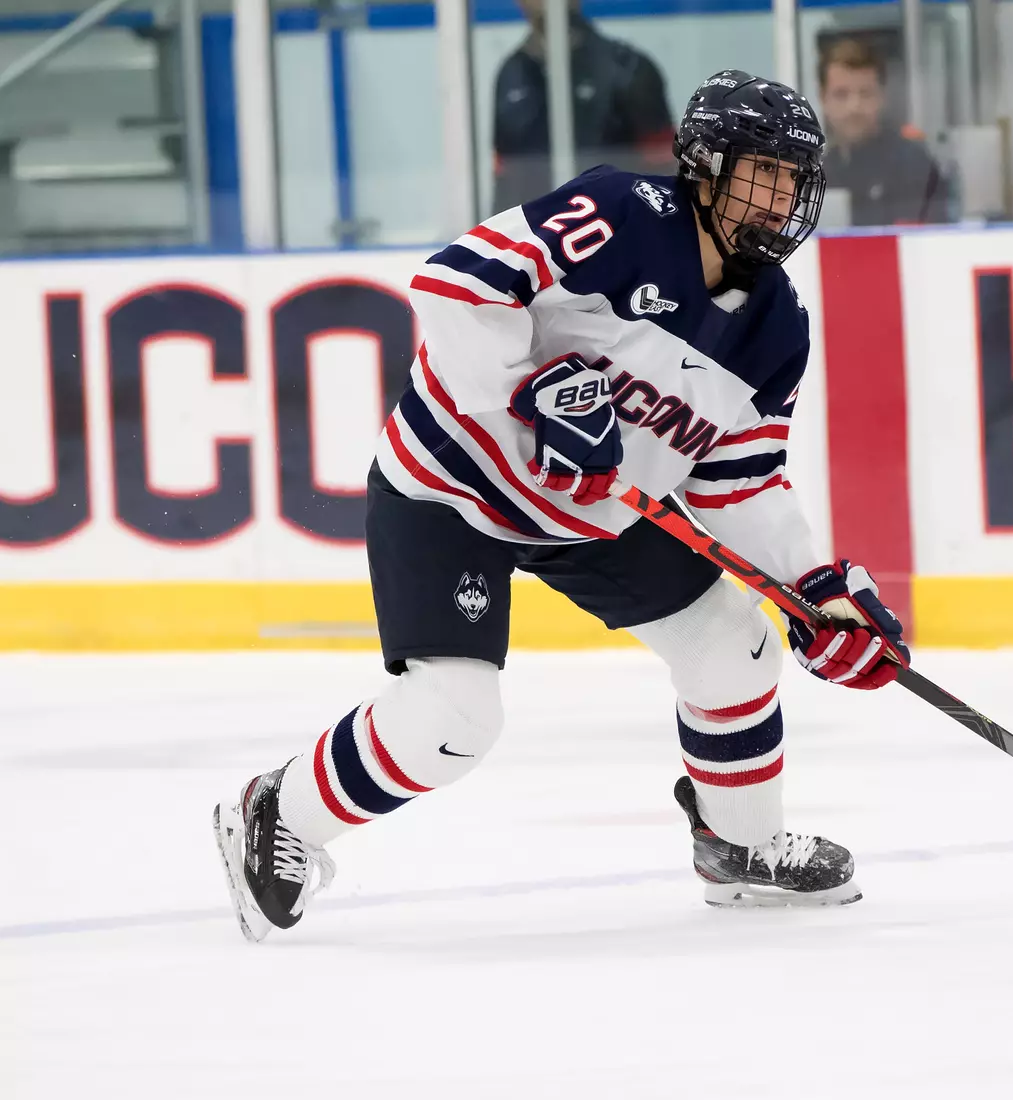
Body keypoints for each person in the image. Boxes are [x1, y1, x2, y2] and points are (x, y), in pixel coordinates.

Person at [214, 70, 911, 940]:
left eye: (795, 180)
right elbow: (457, 286)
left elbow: (739, 482)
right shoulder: (618, 215)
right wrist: (525, 397)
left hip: (592, 513)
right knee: (456, 719)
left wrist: (815, 589)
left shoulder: (777, 326)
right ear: (703, 166)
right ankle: (280, 809)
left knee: (737, 647)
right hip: (455, 484)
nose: (781, 199)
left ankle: (739, 846)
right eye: (760, 172)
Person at [491, 0, 676, 211]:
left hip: (616, 234)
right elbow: (504, 183)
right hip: (536, 237)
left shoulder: (629, 69)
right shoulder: (510, 75)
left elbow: (665, 182)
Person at [816, 36, 945, 226]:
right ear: (823, 98)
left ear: (882, 96)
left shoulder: (914, 166)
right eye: (841, 94)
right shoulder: (818, 172)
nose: (854, 107)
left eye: (865, 93)